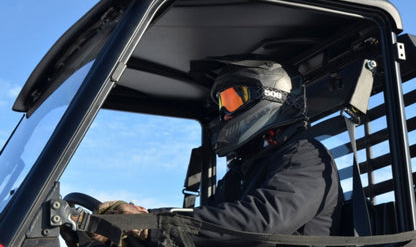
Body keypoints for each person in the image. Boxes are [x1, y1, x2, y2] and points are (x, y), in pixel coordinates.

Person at [90, 59, 344, 246]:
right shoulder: (241, 171)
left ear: (270, 97)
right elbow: (210, 224)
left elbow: (260, 222)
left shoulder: (307, 157)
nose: (224, 113)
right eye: (223, 103)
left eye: (233, 100)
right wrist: (132, 227)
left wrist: (152, 226)